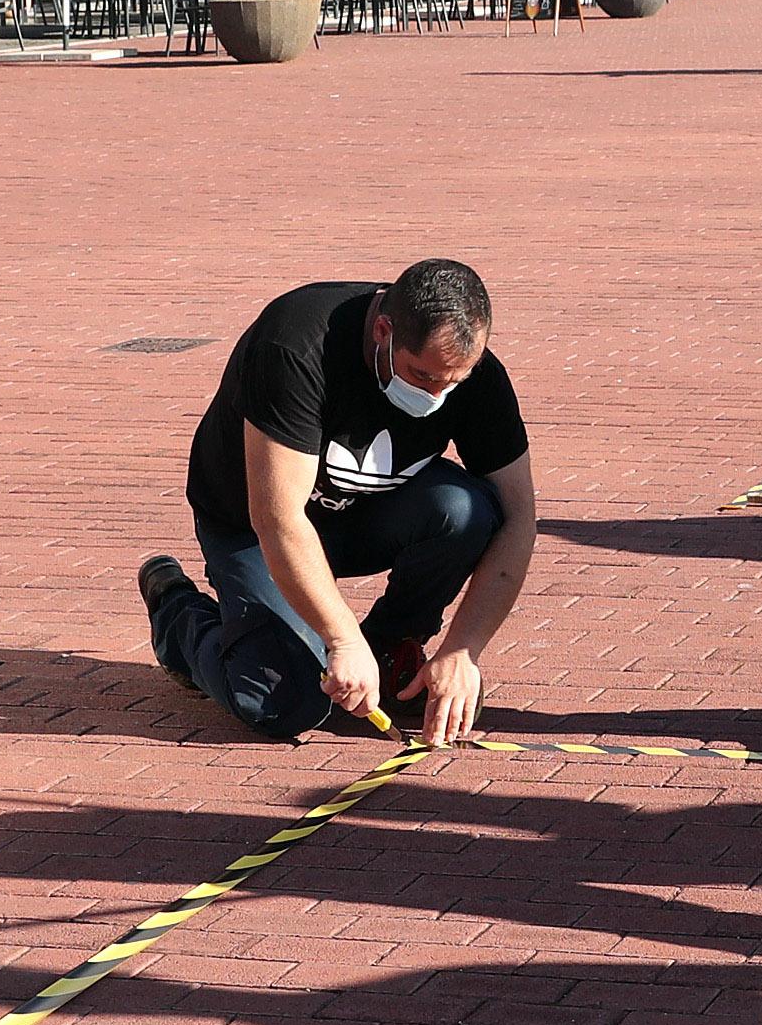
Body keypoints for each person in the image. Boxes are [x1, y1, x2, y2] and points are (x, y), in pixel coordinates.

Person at [141, 262, 537, 748]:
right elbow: (278, 518)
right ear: (384, 331)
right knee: (282, 702)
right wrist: (340, 639)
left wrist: (463, 650)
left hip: (365, 514)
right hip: (254, 527)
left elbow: (520, 518)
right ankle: (177, 617)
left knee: (467, 510)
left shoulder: (474, 376)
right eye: (422, 375)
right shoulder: (294, 346)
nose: (438, 393)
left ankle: (390, 648)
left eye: (454, 381)